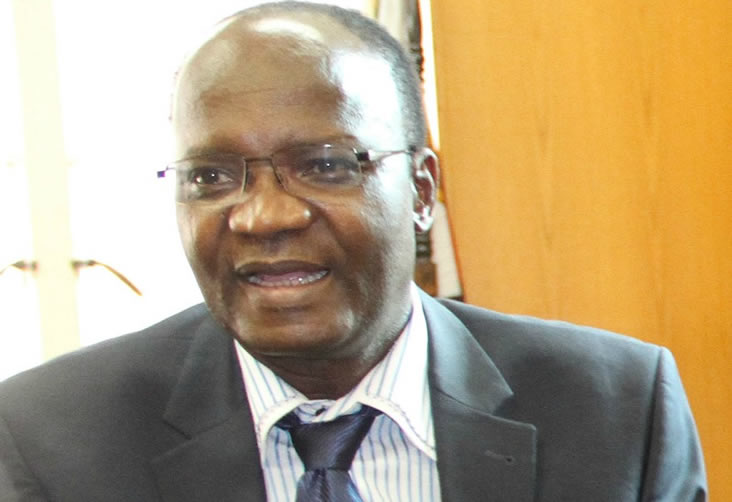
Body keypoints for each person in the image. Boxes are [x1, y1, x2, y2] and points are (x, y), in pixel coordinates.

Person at [0, 2, 706, 501]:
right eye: (211, 177)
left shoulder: (615, 412)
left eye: (327, 165)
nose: (263, 216)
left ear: (422, 190)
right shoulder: (53, 438)